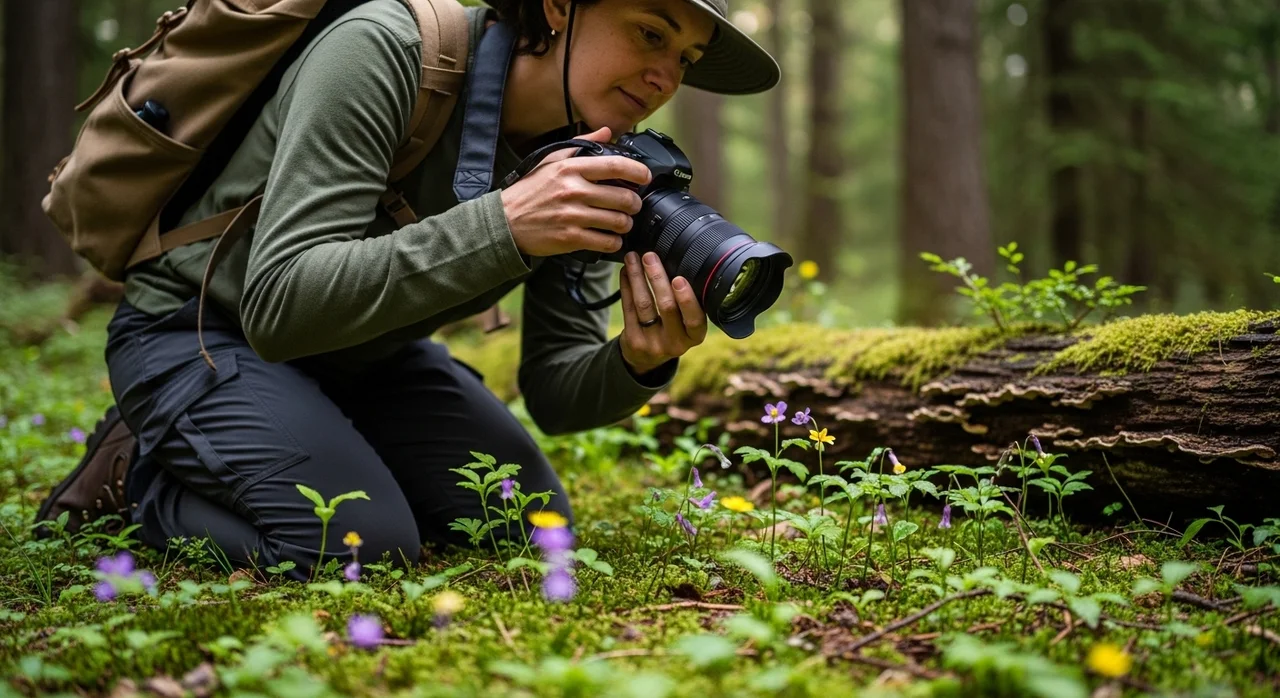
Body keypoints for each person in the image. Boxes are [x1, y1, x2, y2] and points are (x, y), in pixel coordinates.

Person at [37, 0, 780, 579]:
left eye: (686, 56)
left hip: (363, 357)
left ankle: (303, 437)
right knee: (356, 544)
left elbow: (555, 389)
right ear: (558, 6)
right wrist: (510, 223)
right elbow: (277, 305)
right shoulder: (387, 51)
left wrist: (639, 361)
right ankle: (138, 481)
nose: (667, 76)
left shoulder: (589, 158)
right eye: (652, 34)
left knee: (525, 525)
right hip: (198, 327)